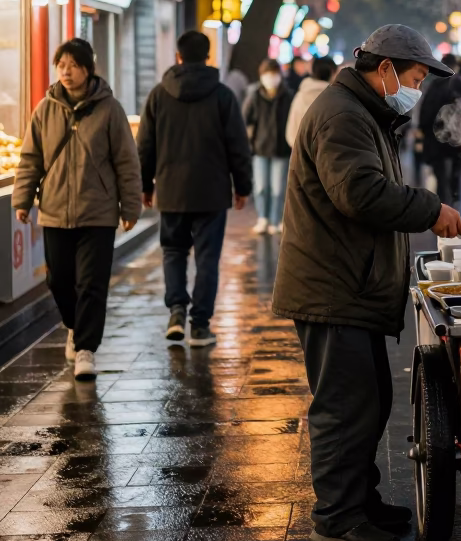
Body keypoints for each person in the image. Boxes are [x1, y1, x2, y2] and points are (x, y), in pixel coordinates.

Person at [273, 24, 461, 541]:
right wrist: (431, 209)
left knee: (371, 401)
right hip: (333, 286)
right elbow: (360, 194)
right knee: (344, 407)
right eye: (415, 77)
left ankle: (361, 500)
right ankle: (335, 518)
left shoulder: (364, 112)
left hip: (350, 282)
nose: (417, 89)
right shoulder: (341, 115)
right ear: (384, 70)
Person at [13, 39, 142, 380]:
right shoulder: (45, 109)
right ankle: (73, 326)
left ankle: (86, 349)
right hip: (55, 211)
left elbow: (126, 163)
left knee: (92, 283)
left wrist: (130, 206)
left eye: (73, 65)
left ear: (88, 69)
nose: (66, 72)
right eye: (61, 66)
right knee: (59, 281)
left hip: (98, 213)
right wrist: (22, 200)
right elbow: (30, 160)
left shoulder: (109, 109)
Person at [137, 30, 253, 347]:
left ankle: (176, 310)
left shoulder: (159, 95)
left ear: (178, 57)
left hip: (171, 191)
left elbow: (145, 146)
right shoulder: (222, 95)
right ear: (208, 57)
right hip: (212, 191)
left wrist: (146, 185)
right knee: (207, 259)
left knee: (173, 252)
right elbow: (238, 147)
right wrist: (242, 185)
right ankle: (200, 326)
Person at [244, 59, 293, 235]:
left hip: (282, 149)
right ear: (261, 76)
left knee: (278, 188)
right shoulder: (255, 95)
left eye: (274, 74)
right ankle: (262, 218)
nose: (271, 78)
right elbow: (245, 117)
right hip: (260, 149)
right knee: (261, 187)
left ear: (279, 75)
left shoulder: (288, 96)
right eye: (267, 74)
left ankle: (276, 219)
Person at [419, 53, 461, 206]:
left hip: (436, 140)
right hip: (457, 138)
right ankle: (454, 199)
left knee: (441, 176)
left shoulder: (434, 85)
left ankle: (443, 204)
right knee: (456, 172)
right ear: (455, 66)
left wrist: (424, 131)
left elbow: (425, 113)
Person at [286, 57, 338, 148]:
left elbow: (291, 129)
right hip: (327, 155)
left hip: (300, 153)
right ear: (332, 72)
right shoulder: (335, 98)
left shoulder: (301, 94)